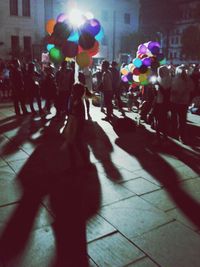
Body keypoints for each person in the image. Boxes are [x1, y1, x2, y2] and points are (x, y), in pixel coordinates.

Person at [170, 66, 194, 143]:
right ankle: (180, 135)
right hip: (181, 102)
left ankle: (178, 134)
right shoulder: (187, 80)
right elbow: (191, 89)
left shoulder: (176, 79)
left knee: (179, 119)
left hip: (178, 102)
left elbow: (172, 90)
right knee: (181, 119)